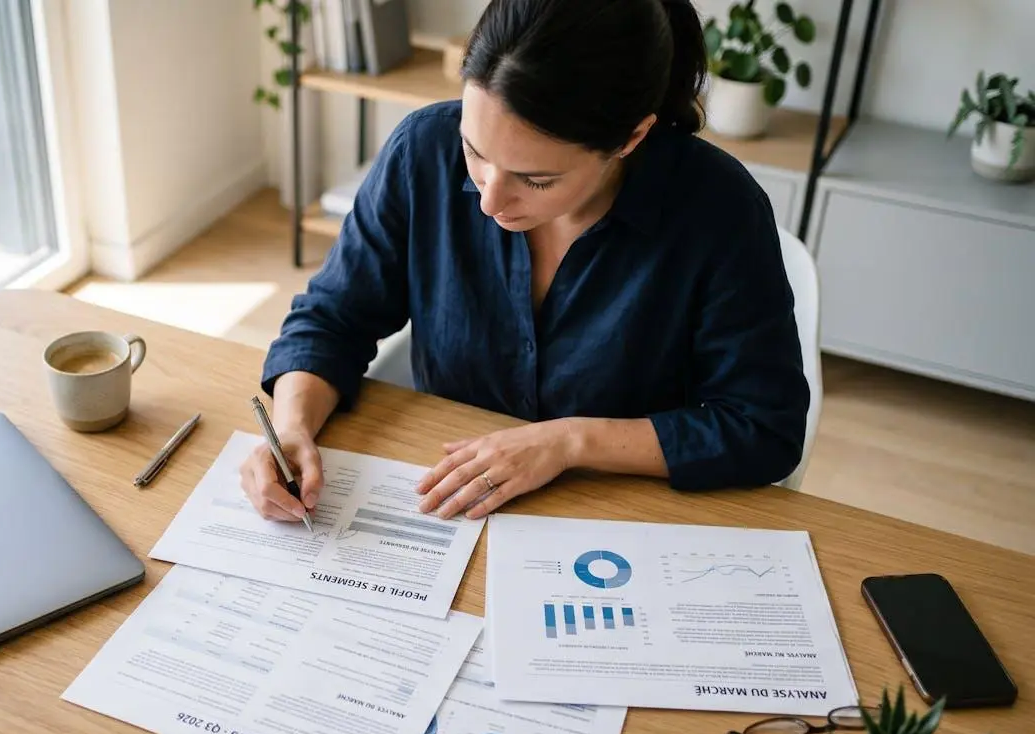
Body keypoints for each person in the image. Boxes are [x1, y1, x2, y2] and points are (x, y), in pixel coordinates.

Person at [241, 0, 810, 523]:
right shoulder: (423, 151)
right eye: (474, 151)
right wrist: (292, 425)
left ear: (630, 138)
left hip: (622, 520)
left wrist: (567, 442)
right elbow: (334, 318)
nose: (488, 200)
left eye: (536, 179)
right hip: (447, 508)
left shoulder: (719, 212)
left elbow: (762, 427)